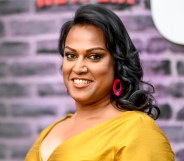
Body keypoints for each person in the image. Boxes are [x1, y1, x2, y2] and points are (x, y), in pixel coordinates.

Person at [25, 4, 174, 161]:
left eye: (94, 56)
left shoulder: (137, 131)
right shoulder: (50, 131)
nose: (78, 67)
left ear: (118, 63)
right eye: (71, 55)